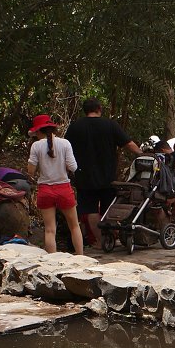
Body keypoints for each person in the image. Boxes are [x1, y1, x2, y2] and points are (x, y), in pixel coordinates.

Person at [64, 98, 140, 244]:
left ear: (85, 110)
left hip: (84, 176)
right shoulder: (110, 125)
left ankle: (101, 241)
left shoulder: (75, 127)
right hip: (107, 175)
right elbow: (128, 143)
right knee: (108, 208)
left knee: (91, 209)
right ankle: (111, 239)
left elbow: (66, 149)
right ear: (99, 108)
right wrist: (142, 155)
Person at [26, 115, 82, 254]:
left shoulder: (36, 146)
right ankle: (81, 258)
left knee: (50, 230)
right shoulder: (65, 143)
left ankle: (52, 262)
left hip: (45, 190)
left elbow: (31, 171)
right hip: (64, 188)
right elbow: (73, 166)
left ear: (39, 131)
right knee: (74, 226)